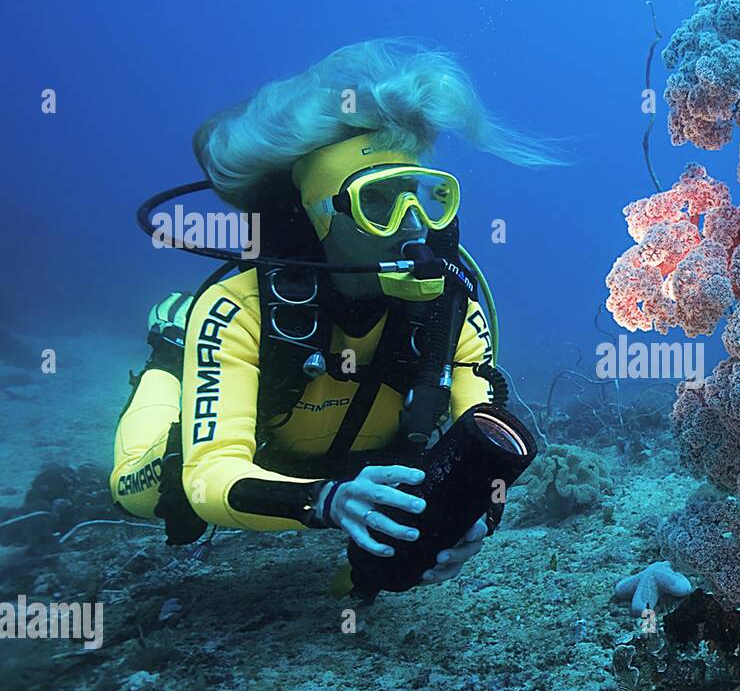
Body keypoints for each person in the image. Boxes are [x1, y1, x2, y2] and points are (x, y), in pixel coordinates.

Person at [110, 39, 560, 591]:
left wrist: (477, 517)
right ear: (317, 218)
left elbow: (481, 434)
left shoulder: (452, 310)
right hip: (265, 458)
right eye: (378, 201)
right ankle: (172, 347)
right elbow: (208, 477)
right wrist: (326, 500)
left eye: (424, 195)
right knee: (141, 492)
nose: (414, 224)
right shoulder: (239, 307)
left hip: (356, 460)